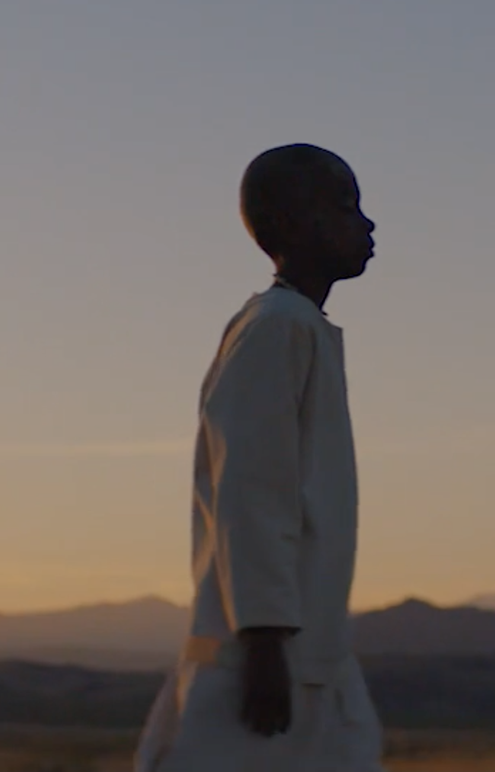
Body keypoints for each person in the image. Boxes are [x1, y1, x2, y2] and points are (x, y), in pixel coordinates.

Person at [135, 144, 384, 772]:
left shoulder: (296, 326)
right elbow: (250, 489)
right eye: (347, 206)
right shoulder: (276, 327)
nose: (369, 224)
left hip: (310, 650)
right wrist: (266, 642)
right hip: (270, 657)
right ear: (296, 222)